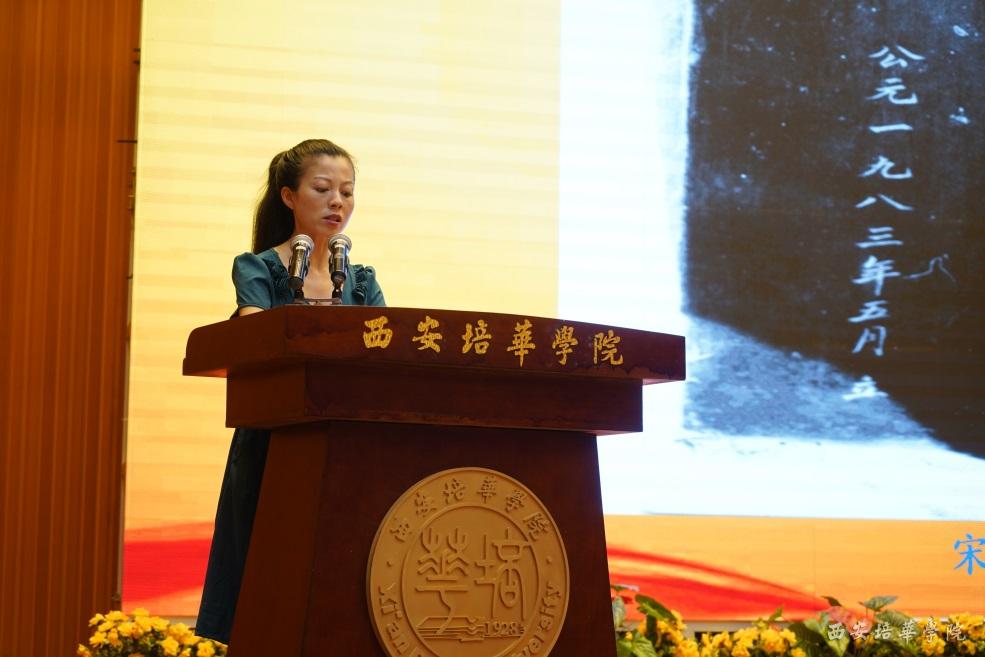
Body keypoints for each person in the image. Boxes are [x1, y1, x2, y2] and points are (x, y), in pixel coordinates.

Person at [195, 139, 385, 643]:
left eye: (347, 191)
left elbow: (388, 353)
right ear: (288, 196)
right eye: (322, 189)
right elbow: (252, 338)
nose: (337, 201)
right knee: (266, 581)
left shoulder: (361, 282)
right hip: (272, 446)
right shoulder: (259, 268)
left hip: (346, 449)